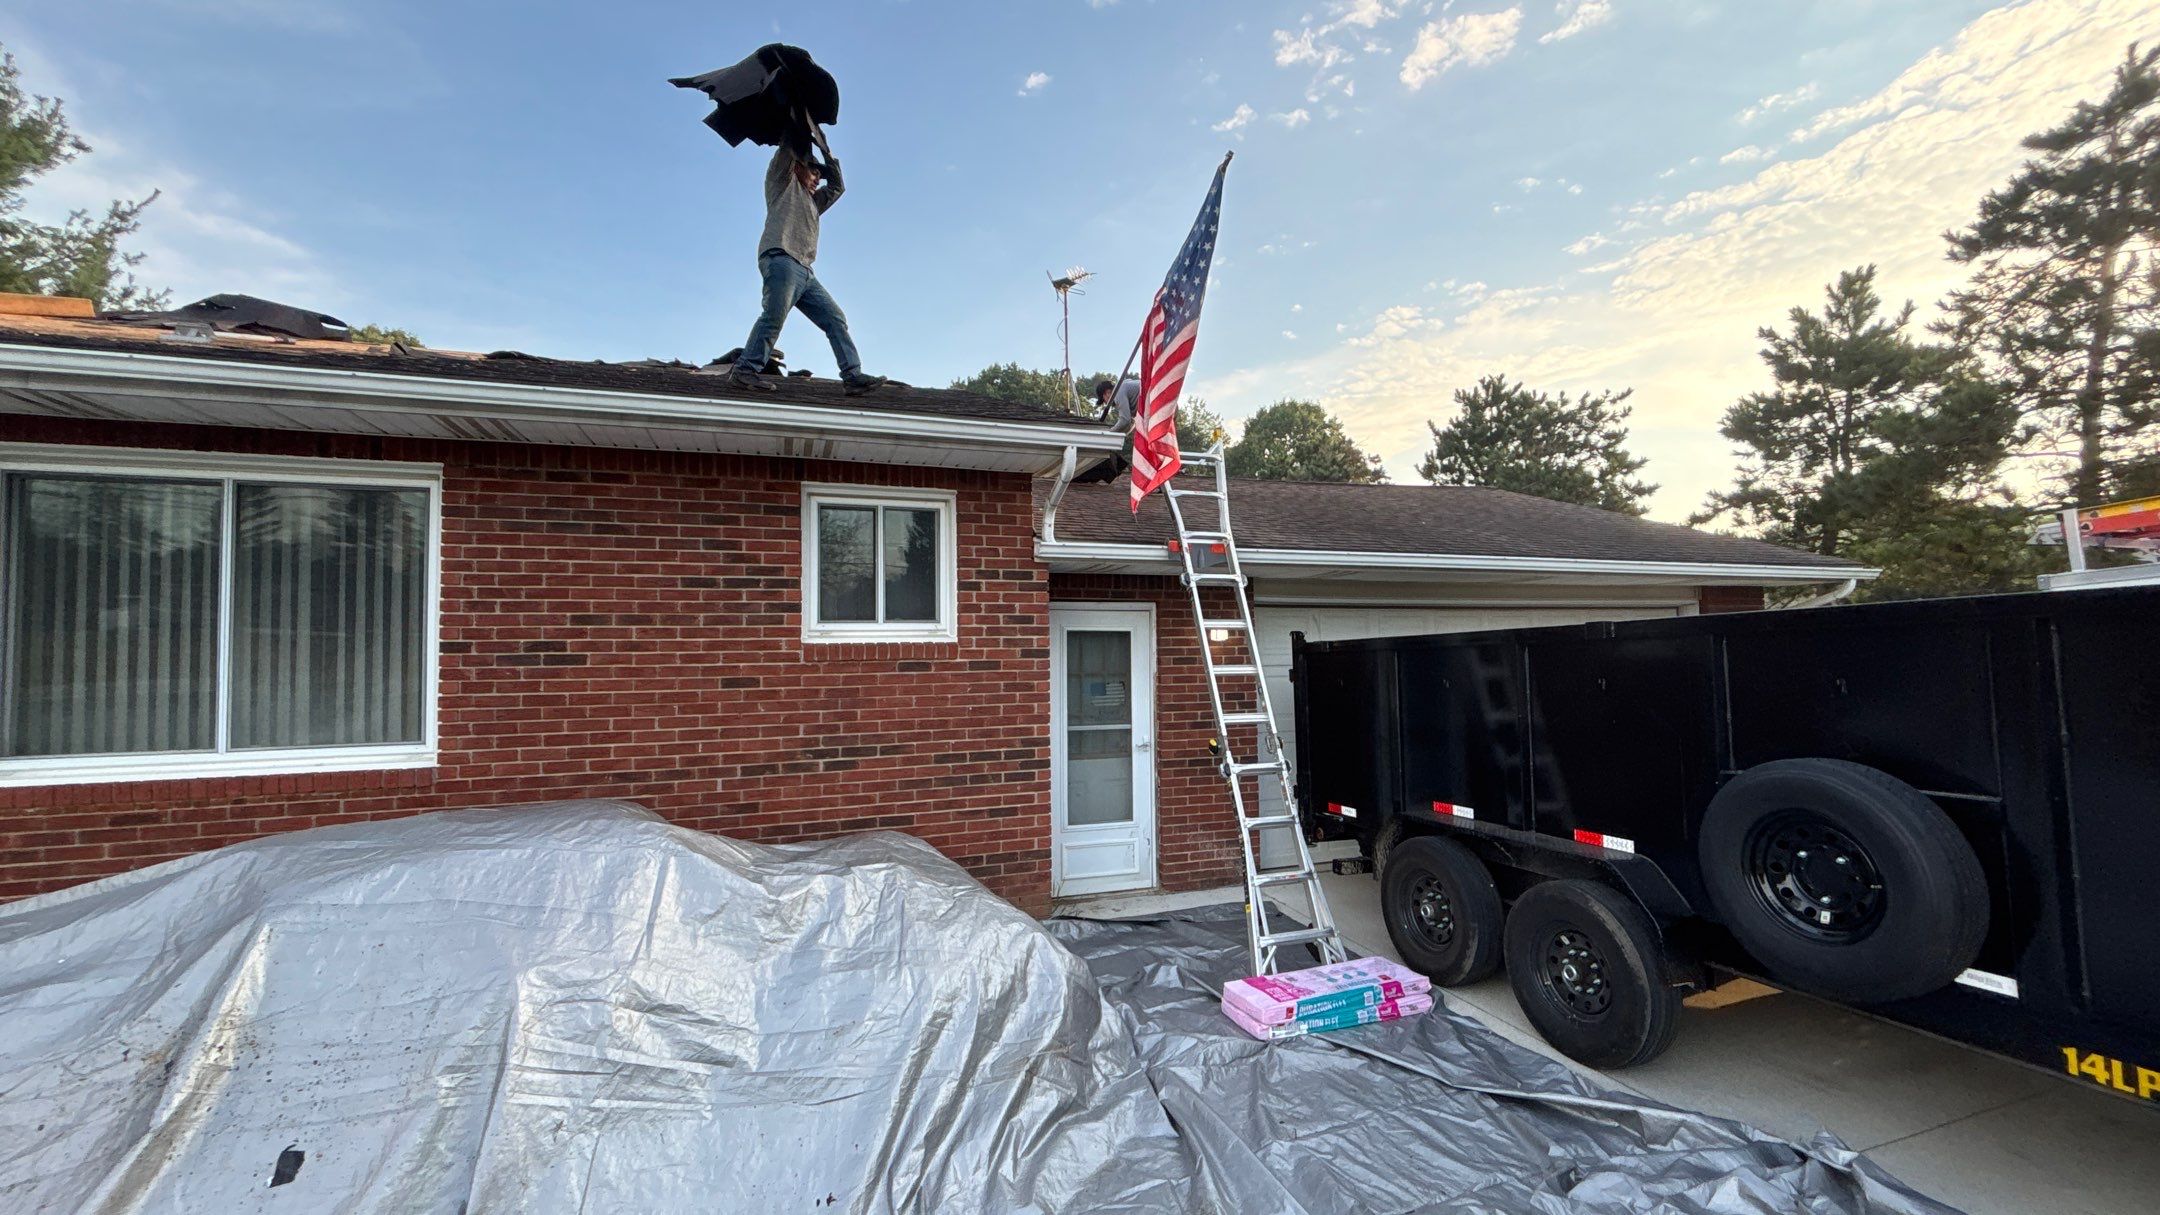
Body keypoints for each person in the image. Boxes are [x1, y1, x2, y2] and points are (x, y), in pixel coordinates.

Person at [723, 126, 886, 395]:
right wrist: (798, 122)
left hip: (806, 272)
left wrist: (826, 154)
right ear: (798, 168)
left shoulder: (814, 202)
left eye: (819, 177)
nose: (817, 180)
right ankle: (745, 370)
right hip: (781, 258)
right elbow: (788, 150)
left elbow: (838, 186)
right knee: (774, 315)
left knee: (835, 318)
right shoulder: (782, 183)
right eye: (813, 173)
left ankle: (852, 375)